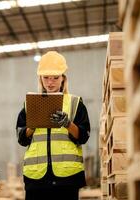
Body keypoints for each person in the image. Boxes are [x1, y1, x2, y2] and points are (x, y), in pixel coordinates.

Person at [16, 51, 90, 200]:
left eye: (55, 78)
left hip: (66, 178)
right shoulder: (29, 104)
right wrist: (33, 126)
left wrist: (67, 124)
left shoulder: (75, 103)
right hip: (37, 178)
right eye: (46, 78)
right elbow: (21, 138)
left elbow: (83, 136)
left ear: (63, 78)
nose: (50, 83)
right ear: (40, 79)